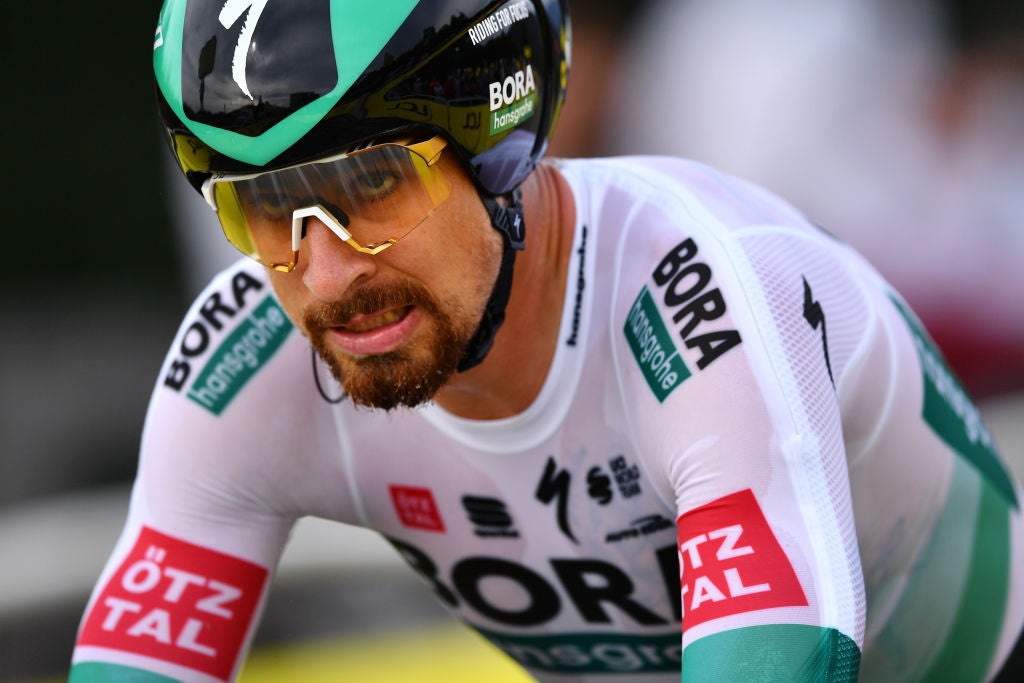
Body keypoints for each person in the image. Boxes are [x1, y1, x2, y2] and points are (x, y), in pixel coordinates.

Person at [70, 1, 1023, 681]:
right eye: (264, 207)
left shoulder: (701, 293)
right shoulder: (243, 360)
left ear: (498, 145)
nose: (322, 277)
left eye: (371, 183)